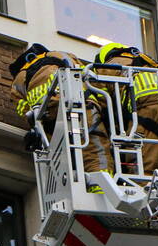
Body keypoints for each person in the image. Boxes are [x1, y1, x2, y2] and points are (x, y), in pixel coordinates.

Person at [8, 43, 113, 189]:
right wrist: (104, 110)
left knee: (63, 160)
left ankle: (77, 187)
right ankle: (101, 189)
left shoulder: (18, 81)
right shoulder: (62, 55)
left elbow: (24, 111)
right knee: (94, 149)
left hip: (50, 121)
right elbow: (91, 82)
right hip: (81, 106)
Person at [93, 42, 158, 180]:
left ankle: (147, 187)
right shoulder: (150, 64)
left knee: (145, 170)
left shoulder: (107, 66)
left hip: (149, 108)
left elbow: (102, 102)